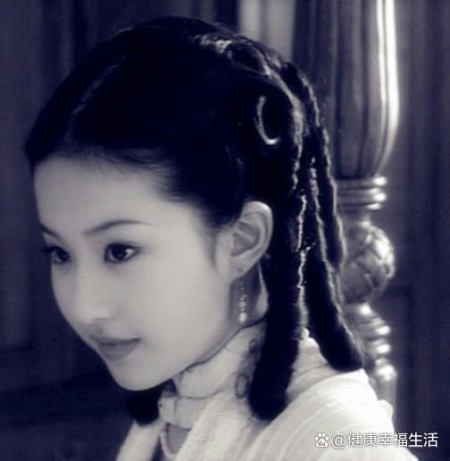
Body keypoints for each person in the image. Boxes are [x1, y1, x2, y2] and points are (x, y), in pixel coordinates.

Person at [25, 16, 417, 461]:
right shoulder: (173, 403)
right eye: (59, 253)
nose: (84, 307)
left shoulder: (335, 439)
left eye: (120, 251)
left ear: (242, 239)